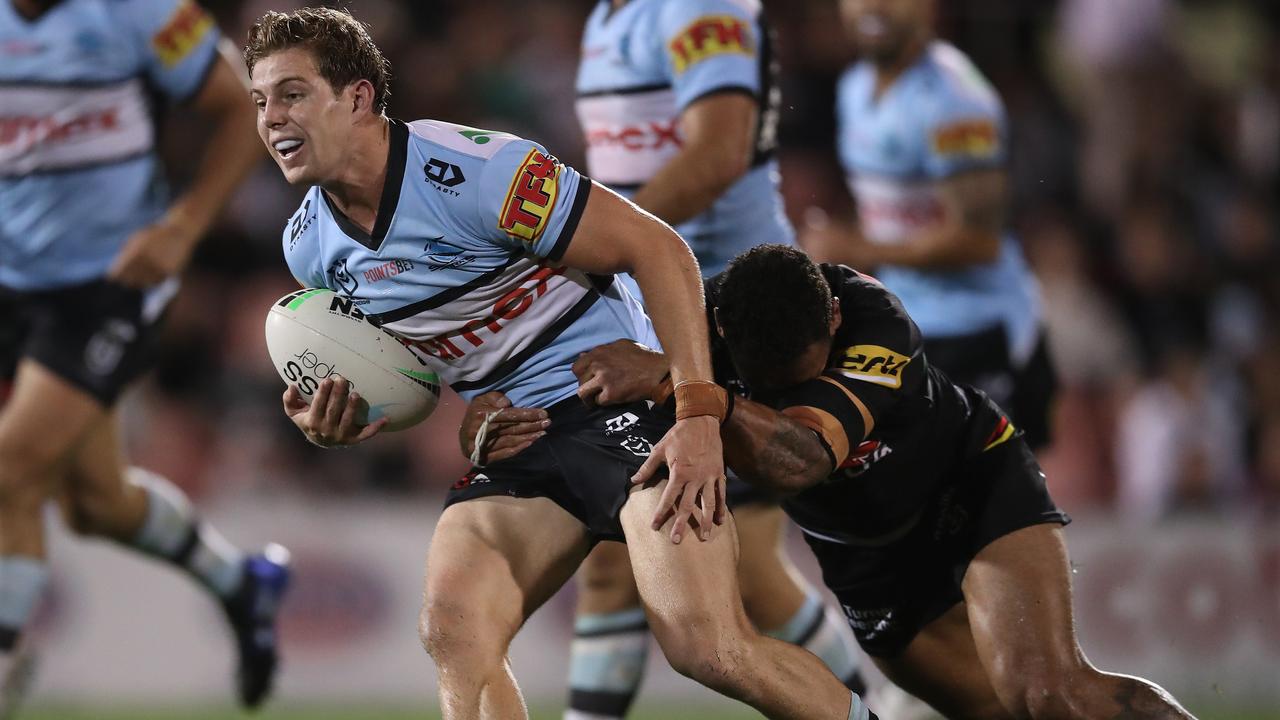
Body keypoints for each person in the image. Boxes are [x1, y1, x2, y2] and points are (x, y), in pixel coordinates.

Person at [245, 8, 874, 720]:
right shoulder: (308, 247)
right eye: (261, 101)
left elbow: (659, 249)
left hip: (623, 406)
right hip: (523, 440)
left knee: (708, 647)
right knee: (453, 628)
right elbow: (412, 367)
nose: (271, 118)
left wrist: (697, 412)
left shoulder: (476, 175)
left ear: (356, 97)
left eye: (291, 93)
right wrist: (350, 416)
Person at [498, 243, 1197, 719]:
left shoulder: (872, 318)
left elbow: (803, 459)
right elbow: (575, 379)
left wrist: (684, 388)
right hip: (863, 557)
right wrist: (493, 411)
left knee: (1050, 695)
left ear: (831, 319)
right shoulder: (700, 330)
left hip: (970, 486)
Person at [563, 1, 867, 716]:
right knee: (617, 561)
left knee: (739, 569)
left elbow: (719, 150)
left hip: (725, 314)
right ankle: (874, 704)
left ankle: (870, 705)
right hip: (656, 311)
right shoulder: (611, 16)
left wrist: (598, 248)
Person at [0, 0, 290, 714]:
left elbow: (241, 109)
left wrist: (183, 228)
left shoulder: (141, 9)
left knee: (12, 470)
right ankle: (240, 583)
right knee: (97, 504)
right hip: (12, 284)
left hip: (110, 284)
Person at [804, 0, 1056, 450]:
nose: (874, 6)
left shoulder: (955, 102)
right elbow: (888, 212)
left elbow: (980, 240)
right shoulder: (855, 86)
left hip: (979, 331)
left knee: (993, 507)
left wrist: (861, 249)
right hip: (909, 327)